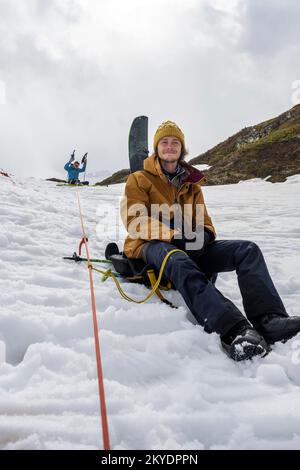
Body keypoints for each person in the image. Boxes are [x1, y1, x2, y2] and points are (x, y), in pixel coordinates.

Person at [121, 120, 300, 361]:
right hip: (150, 245)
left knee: (247, 250)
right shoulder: (139, 179)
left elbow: (203, 220)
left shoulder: (192, 186)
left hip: (188, 242)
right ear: (156, 148)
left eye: (175, 142)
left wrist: (204, 235)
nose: (170, 146)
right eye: (164, 142)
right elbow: (135, 219)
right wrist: (173, 236)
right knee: (178, 260)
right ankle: (234, 329)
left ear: (182, 149)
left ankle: (269, 319)